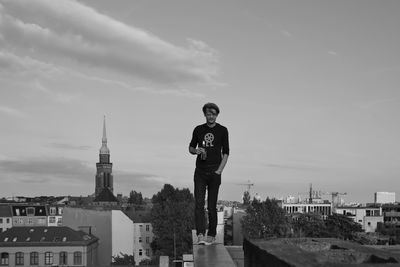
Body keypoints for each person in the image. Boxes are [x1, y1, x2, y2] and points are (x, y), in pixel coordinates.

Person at [189, 103, 229, 245]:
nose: (211, 116)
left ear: (217, 115)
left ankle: (211, 235)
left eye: (213, 114)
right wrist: (196, 151)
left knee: (211, 206)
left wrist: (219, 171)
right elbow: (191, 147)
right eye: (208, 113)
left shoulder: (223, 130)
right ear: (205, 114)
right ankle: (200, 234)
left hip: (214, 172)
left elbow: (226, 152)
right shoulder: (198, 130)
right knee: (199, 204)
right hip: (200, 172)